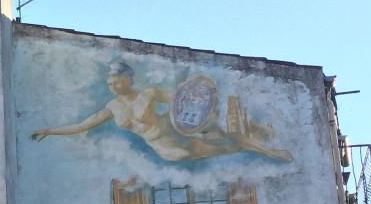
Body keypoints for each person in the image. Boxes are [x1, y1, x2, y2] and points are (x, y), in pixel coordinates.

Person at [30, 63, 292, 162]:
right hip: (166, 148)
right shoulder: (112, 108)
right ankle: (256, 141)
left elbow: (184, 99)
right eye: (109, 82)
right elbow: (82, 125)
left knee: (225, 138)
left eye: (116, 80)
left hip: (175, 129)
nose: (112, 85)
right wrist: (50, 131)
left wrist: (200, 99)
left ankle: (267, 149)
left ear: (128, 79)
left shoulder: (150, 93)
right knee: (227, 148)